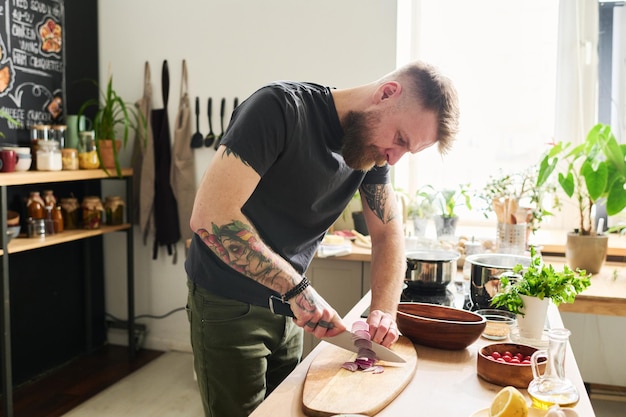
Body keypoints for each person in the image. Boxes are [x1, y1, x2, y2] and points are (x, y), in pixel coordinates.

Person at [185, 60, 459, 416]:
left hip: (291, 308)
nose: (395, 156)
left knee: (286, 411)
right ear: (387, 94)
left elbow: (388, 233)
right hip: (227, 305)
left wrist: (384, 312)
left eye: (409, 150)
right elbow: (210, 217)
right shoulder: (278, 109)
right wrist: (296, 288)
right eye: (401, 139)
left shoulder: (372, 151)